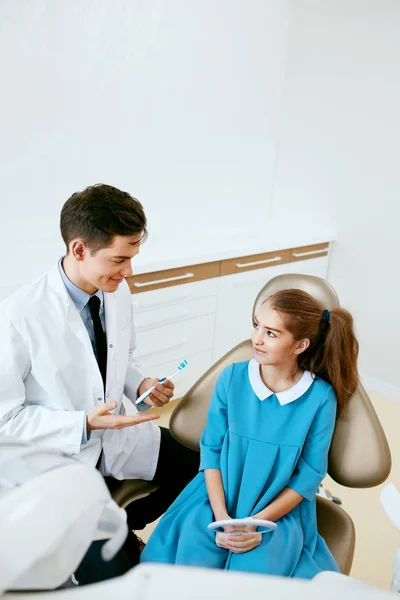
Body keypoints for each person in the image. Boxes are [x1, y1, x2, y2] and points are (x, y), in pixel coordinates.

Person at [0, 184, 199, 582]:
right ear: (79, 250)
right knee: (115, 583)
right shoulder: (17, 317)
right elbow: (5, 422)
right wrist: (83, 424)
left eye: (132, 259)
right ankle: (113, 543)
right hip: (57, 463)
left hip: (116, 440)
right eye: (120, 260)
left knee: (207, 463)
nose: (128, 272)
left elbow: (119, 356)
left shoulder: (115, 290)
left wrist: (140, 384)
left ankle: (126, 525)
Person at [141, 288, 359, 578]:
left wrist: (256, 522)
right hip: (216, 499)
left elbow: (309, 474)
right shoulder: (232, 378)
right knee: (193, 560)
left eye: (271, 333)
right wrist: (220, 518)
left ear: (299, 345)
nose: (256, 338)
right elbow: (212, 451)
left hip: (275, 514)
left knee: (255, 573)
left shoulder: (319, 398)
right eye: (257, 325)